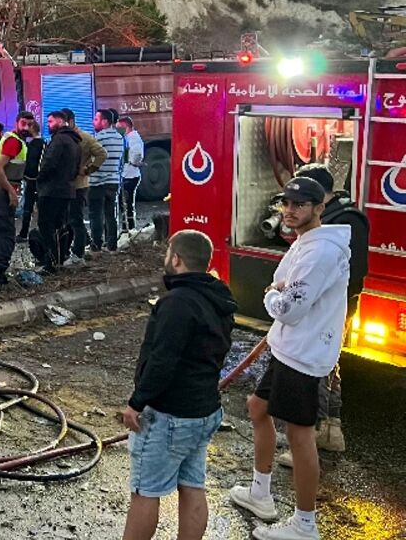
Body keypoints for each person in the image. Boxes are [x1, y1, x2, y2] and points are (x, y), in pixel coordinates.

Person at [228, 177, 350, 540]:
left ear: (319, 207)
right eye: (286, 203)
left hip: (303, 353)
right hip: (289, 347)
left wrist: (270, 296)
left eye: (299, 204)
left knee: (300, 437)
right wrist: (278, 293)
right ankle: (260, 493)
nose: (290, 211)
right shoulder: (306, 242)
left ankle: (305, 525)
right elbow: (286, 287)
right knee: (257, 407)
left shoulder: (321, 251)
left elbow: (290, 308)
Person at [121, 230, 236, 540]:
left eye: (168, 252)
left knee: (145, 491)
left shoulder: (178, 303)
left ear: (177, 259)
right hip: (205, 411)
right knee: (193, 485)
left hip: (171, 415)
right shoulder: (217, 298)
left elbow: (163, 360)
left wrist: (137, 402)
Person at [279, 163, 370, 460]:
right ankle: (331, 431)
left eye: (300, 200)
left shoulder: (344, 222)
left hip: (328, 311)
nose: (292, 208)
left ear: (320, 199)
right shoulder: (342, 217)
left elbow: (351, 271)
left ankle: (314, 435)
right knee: (330, 366)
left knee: (318, 369)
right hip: (329, 308)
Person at [32, 110, 81, 274]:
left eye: (51, 122)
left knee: (46, 225)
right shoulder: (74, 141)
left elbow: (49, 163)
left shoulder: (59, 140)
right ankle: (60, 258)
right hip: (66, 189)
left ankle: (50, 262)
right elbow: (77, 167)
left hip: (51, 190)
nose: (48, 125)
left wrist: (39, 179)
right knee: (61, 225)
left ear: (61, 121)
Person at [0, 114, 31, 287]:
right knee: (6, 234)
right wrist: (11, 192)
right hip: (2, 191)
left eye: (29, 124)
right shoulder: (14, 142)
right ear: (16, 123)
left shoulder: (12, 139)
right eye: (23, 123)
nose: (26, 127)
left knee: (0, 232)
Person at [64, 108, 105, 266]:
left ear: (71, 121)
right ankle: (67, 250)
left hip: (79, 185)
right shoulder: (64, 137)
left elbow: (102, 154)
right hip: (66, 186)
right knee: (68, 220)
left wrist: (88, 170)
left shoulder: (84, 138)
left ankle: (78, 253)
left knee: (76, 220)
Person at [88, 109, 125, 253]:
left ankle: (96, 245)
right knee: (111, 214)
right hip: (113, 181)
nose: (93, 122)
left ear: (105, 121)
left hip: (97, 182)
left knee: (95, 214)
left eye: (96, 119)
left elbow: (92, 159)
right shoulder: (119, 137)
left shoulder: (98, 138)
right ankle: (112, 245)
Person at [18, 119, 43, 241]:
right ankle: (41, 232)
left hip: (32, 180)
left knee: (28, 208)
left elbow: (30, 163)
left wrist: (25, 175)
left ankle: (24, 233)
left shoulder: (33, 145)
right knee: (41, 208)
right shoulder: (43, 143)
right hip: (40, 181)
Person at [117, 116, 144, 232]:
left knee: (126, 204)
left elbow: (137, 154)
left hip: (130, 175)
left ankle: (129, 229)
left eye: (119, 128)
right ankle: (126, 228)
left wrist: (134, 162)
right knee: (125, 204)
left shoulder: (133, 138)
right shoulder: (128, 138)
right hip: (128, 175)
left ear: (125, 127)